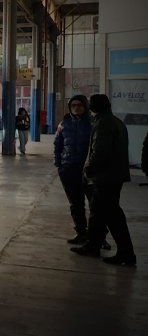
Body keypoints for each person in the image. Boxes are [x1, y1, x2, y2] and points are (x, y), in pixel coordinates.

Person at [71, 94, 136, 267]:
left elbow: (99, 152)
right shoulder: (115, 121)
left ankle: (126, 253)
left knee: (112, 215)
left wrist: (87, 169)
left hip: (105, 177)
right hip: (114, 175)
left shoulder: (103, 124)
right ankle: (93, 245)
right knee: (98, 213)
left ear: (94, 107)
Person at [54, 95, 92, 244]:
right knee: (76, 204)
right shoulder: (64, 123)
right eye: (73, 105)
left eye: (80, 105)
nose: (76, 107)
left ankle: (99, 236)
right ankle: (81, 232)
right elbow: (58, 145)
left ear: (85, 106)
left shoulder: (92, 123)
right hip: (68, 169)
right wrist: (59, 164)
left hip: (88, 170)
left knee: (95, 204)